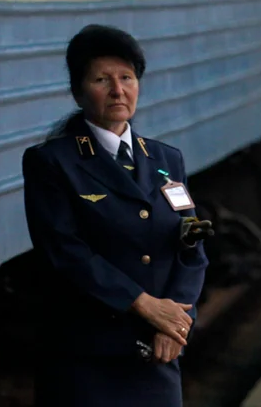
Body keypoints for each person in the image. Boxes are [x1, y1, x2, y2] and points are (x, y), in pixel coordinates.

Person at [22, 24, 212, 407]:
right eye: (101, 79)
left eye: (127, 77)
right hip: (87, 359)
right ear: (78, 92)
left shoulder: (165, 159)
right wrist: (145, 304)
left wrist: (174, 323)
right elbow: (65, 252)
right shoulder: (53, 162)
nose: (117, 90)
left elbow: (190, 246)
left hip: (156, 355)